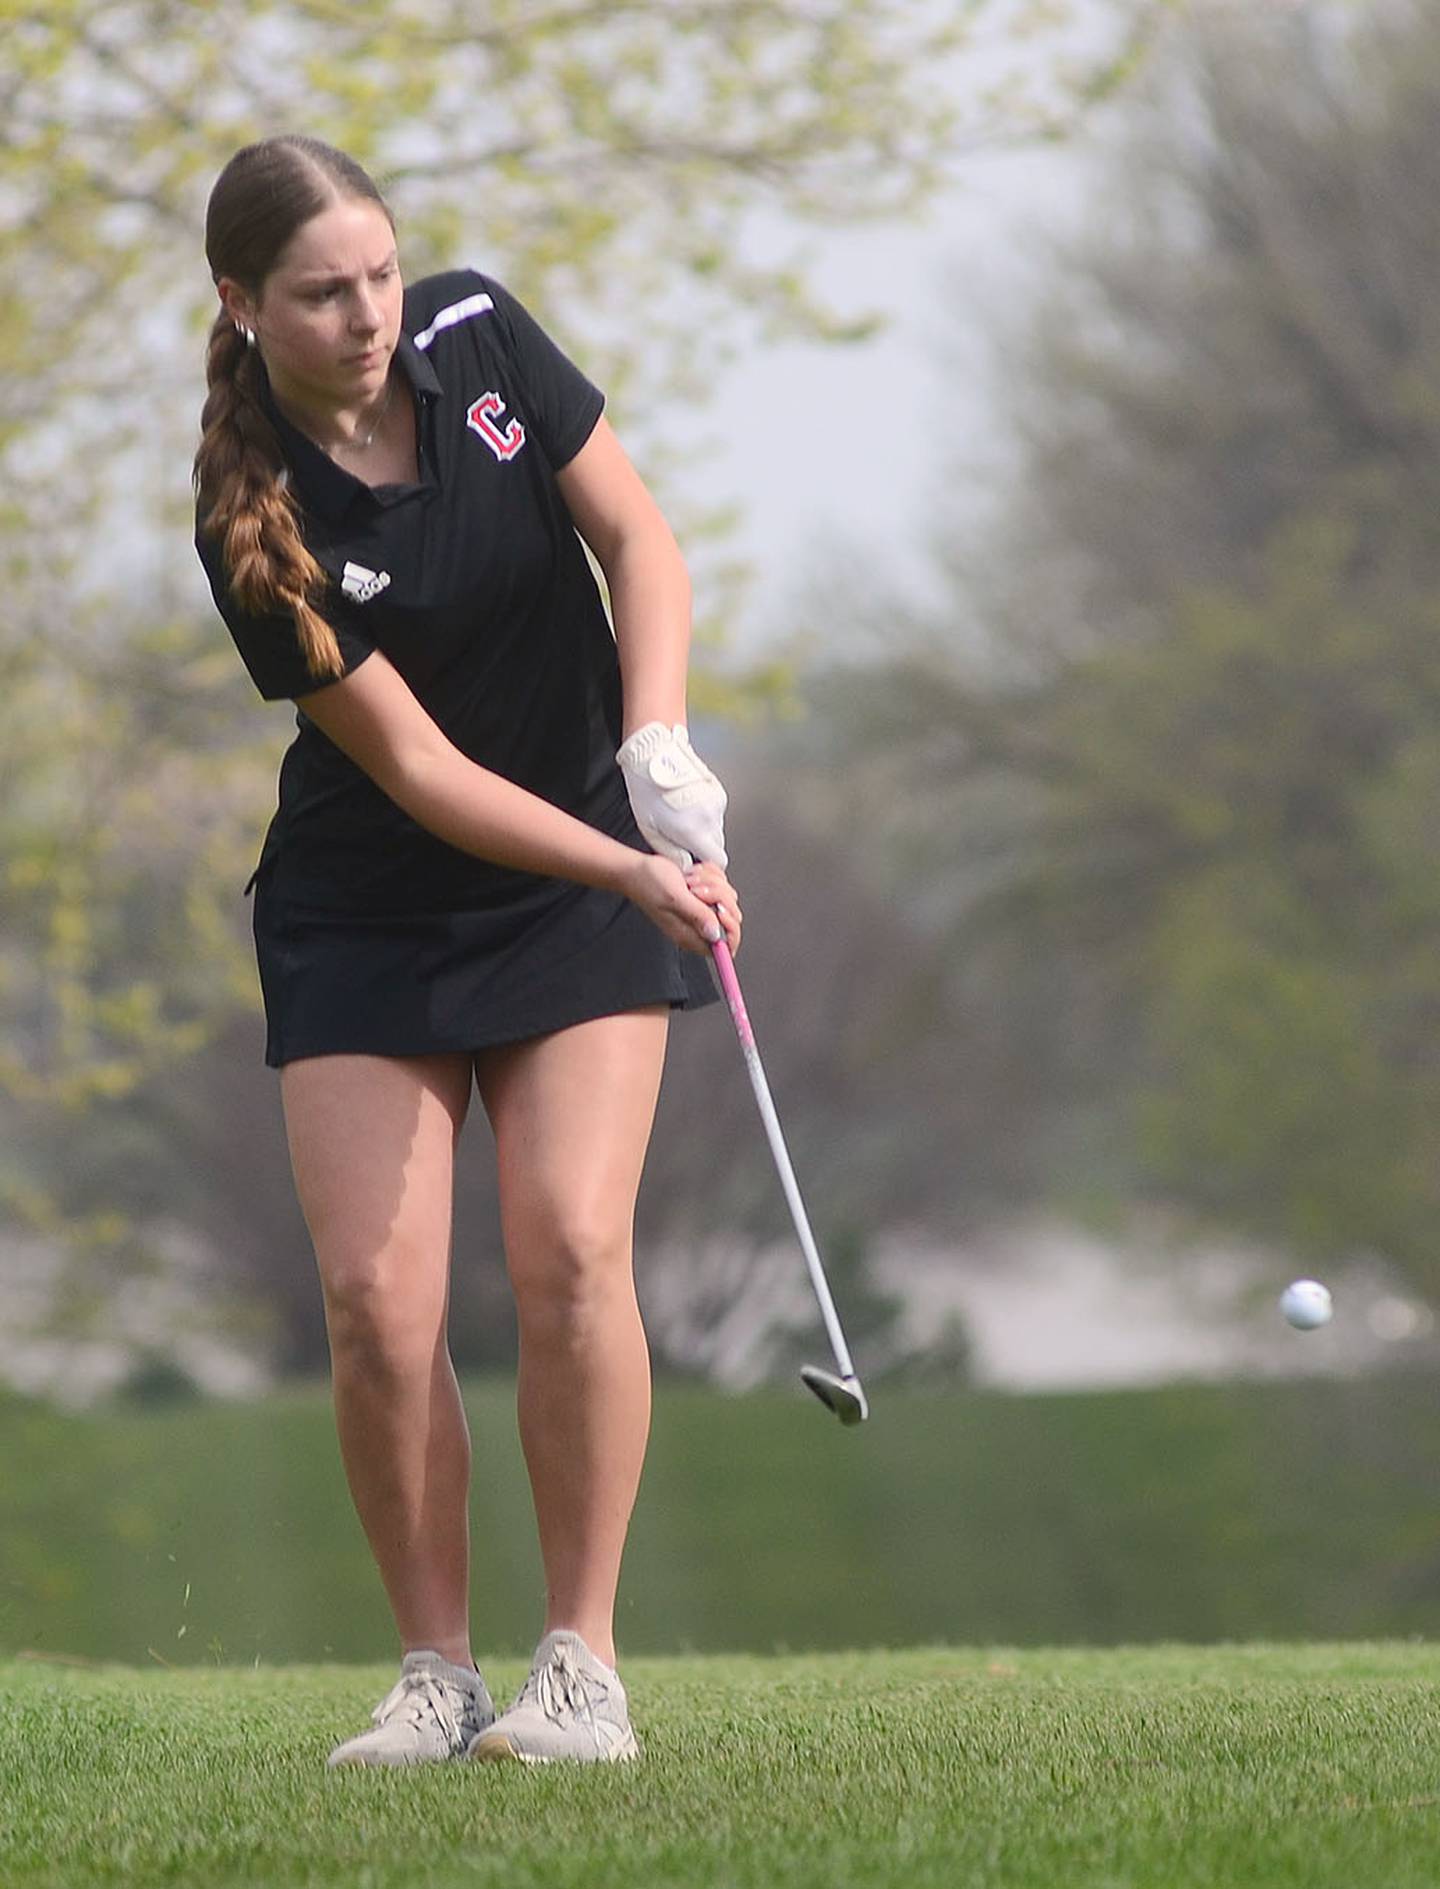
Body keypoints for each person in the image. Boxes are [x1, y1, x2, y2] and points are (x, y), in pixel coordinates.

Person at [193, 135, 741, 1768]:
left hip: (577, 865)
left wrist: (654, 743)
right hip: (374, 906)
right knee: (375, 1300)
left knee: (572, 1246)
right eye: (321, 291)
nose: (369, 312)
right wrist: (630, 867)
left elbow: (639, 542)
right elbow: (422, 774)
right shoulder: (254, 517)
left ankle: (583, 1667)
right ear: (241, 305)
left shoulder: (479, 333)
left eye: (379, 269)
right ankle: (439, 1672)